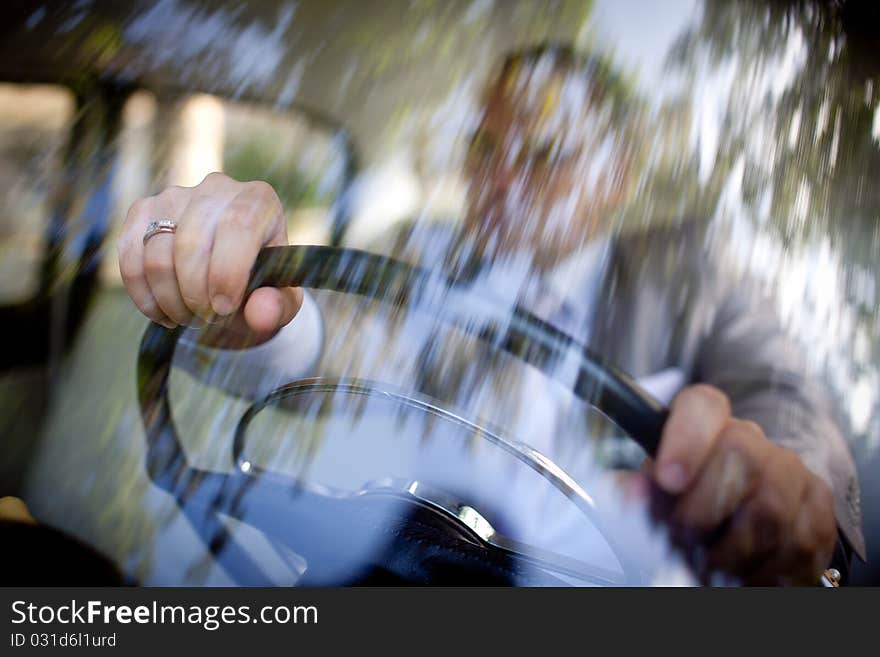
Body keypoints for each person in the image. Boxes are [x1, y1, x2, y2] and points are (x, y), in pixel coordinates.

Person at [117, 44, 864, 585]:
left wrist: (780, 483)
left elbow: (786, 402)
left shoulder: (697, 270)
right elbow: (346, 333)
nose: (501, 182)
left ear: (617, 175)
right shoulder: (421, 255)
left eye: (543, 156)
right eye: (484, 149)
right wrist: (253, 309)